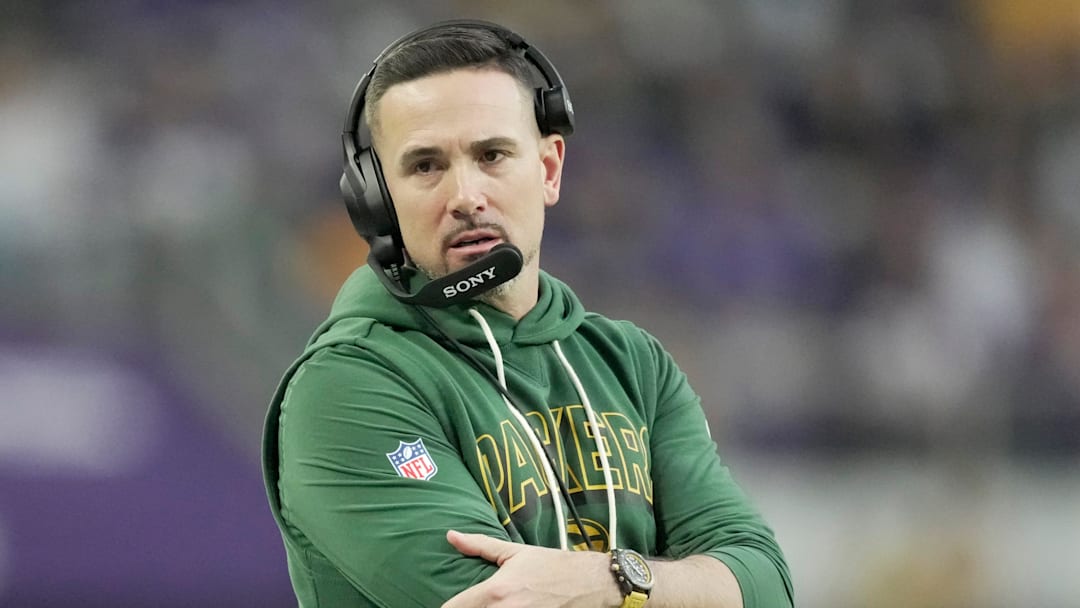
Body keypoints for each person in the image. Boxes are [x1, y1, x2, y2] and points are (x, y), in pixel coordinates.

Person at [262, 19, 793, 608]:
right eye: (425, 166)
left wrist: (614, 581)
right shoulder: (345, 387)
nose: (465, 196)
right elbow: (497, 603)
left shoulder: (634, 365)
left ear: (548, 169)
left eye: (492, 155)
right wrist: (681, 587)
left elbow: (765, 585)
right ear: (376, 201)